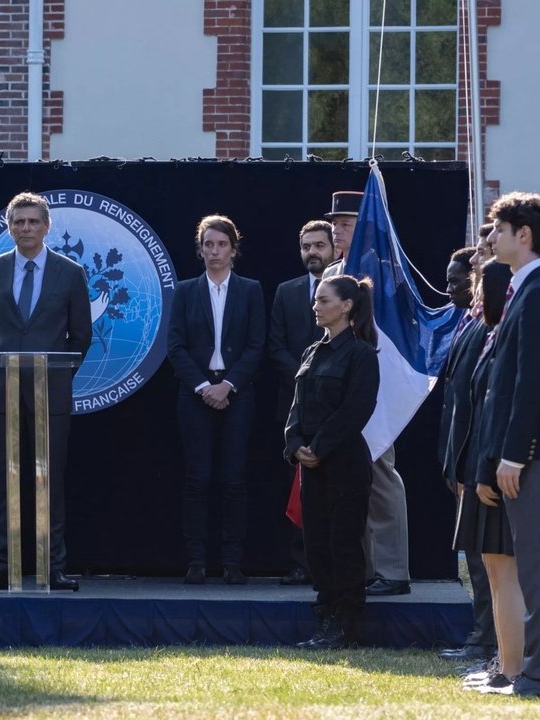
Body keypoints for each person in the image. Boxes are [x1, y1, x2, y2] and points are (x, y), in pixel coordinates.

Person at [0, 192, 91, 592]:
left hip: (49, 392)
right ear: (9, 226)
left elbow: (81, 337)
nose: (26, 228)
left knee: (46, 479)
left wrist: (57, 377)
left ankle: (51, 566)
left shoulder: (70, 272)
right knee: (1, 481)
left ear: (46, 226)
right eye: (19, 222)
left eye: (33, 221)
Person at [473, 192, 540, 698]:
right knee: (531, 564)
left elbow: (531, 384)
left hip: (528, 455)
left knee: (536, 565)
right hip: (517, 454)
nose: (490, 239)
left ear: (522, 235)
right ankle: (537, 669)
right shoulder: (525, 292)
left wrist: (514, 454)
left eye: (497, 229)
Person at [167, 215, 265, 584]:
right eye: (208, 244)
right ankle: (195, 560)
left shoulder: (251, 290)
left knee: (234, 480)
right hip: (195, 395)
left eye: (221, 244)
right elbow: (175, 346)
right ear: (200, 249)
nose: (214, 251)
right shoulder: (186, 290)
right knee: (197, 479)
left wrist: (229, 386)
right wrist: (203, 387)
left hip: (237, 394)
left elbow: (257, 345)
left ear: (233, 249)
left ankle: (233, 562)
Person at [322, 190, 410, 597]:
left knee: (380, 473)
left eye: (346, 223)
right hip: (338, 385)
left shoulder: (383, 273)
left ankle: (392, 569)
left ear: (365, 226)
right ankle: (364, 569)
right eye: (335, 223)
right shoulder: (335, 272)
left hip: (372, 383)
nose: (337, 230)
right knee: (348, 480)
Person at [285, 274, 380, 650]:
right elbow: (297, 406)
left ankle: (347, 626)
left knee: (343, 544)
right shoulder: (312, 351)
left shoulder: (361, 354)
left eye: (324, 301)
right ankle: (325, 619)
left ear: (346, 306)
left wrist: (319, 447)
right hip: (311, 466)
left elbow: (356, 410)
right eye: (315, 300)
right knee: (317, 546)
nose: (316, 306)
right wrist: (295, 445)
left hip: (343, 464)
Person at [455, 260, 520, 694]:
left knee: (504, 572)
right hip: (481, 464)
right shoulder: (487, 336)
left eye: (478, 289)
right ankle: (503, 660)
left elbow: (495, 413)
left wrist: (483, 471)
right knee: (493, 573)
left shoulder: (501, 341)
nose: (472, 296)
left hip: (495, 469)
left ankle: (512, 665)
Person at [435, 246, 497, 666]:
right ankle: (482, 636)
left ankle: (486, 641)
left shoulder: (487, 325)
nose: (451, 286)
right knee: (473, 559)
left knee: (483, 559)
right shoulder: (466, 321)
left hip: (477, 458)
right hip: (459, 456)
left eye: (459, 279)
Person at [268, 219, 333, 586]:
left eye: (319, 245)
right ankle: (300, 563)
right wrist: (305, 378)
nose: (312, 252)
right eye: (307, 246)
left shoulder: (347, 289)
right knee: (296, 489)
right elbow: (274, 345)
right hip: (293, 406)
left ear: (333, 248)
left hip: (336, 408)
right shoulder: (286, 291)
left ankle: (329, 565)